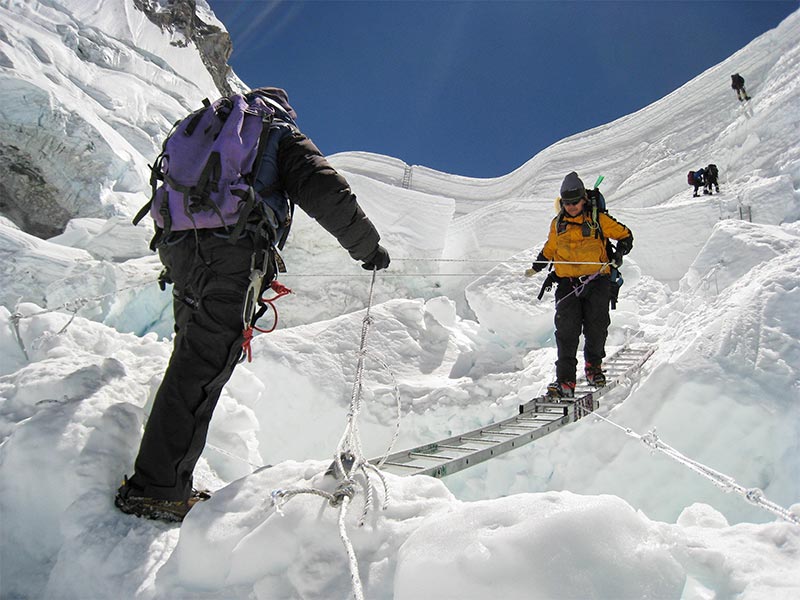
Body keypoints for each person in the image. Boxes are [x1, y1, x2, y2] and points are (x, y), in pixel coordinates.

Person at [115, 87, 390, 522]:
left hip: (181, 250)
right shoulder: (278, 133)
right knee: (202, 368)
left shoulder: (211, 128)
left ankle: (161, 479)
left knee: (192, 360)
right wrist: (368, 248)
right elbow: (326, 191)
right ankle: (156, 489)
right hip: (232, 252)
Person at [526, 172, 633, 399]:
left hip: (597, 281)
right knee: (566, 333)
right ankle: (565, 381)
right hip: (567, 285)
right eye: (567, 202)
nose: (572, 206)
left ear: (584, 199)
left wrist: (620, 254)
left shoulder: (598, 220)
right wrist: (536, 267)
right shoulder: (558, 224)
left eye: (575, 202)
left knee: (596, 327)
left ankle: (593, 368)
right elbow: (549, 248)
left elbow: (625, 236)